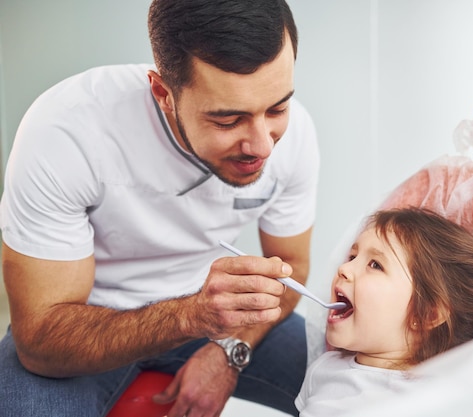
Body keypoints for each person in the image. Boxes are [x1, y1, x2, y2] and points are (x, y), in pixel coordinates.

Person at [0, 0, 318, 416]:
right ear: (164, 93)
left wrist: (227, 350)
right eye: (227, 120)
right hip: (85, 324)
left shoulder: (294, 139)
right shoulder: (66, 132)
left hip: (216, 315)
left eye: (277, 108)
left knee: (362, 377)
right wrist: (192, 316)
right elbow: (40, 342)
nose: (261, 145)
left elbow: (292, 264)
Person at [295, 207, 473, 416]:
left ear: (426, 315)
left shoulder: (430, 401)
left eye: (375, 264)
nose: (344, 268)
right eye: (353, 257)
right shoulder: (324, 368)